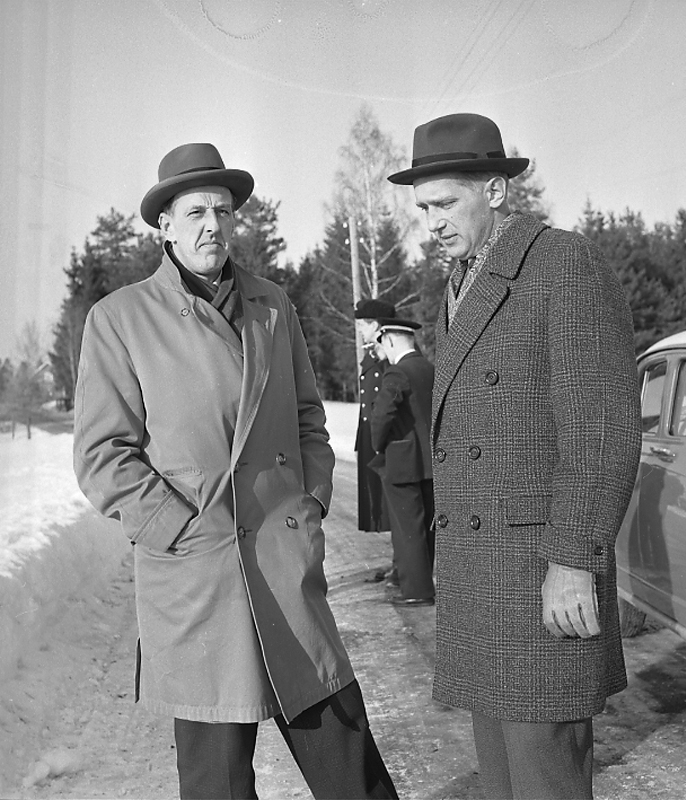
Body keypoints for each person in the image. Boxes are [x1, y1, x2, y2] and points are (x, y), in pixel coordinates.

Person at [73, 142, 398, 800]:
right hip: (198, 580)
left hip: (282, 565)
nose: (212, 226)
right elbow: (103, 453)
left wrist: (306, 504)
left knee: (348, 764)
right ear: (164, 226)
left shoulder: (272, 305)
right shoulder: (121, 319)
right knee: (216, 782)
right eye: (195, 212)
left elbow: (308, 417)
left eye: (223, 211)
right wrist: (176, 529)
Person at [388, 114, 641, 798]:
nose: (432, 223)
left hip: (538, 574)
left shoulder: (560, 262)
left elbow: (600, 427)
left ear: (496, 190)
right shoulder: (462, 280)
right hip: (483, 580)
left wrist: (573, 561)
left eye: (445, 203)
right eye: (423, 209)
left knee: (543, 776)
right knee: (500, 782)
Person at [369, 318, 436, 607]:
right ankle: (417, 581)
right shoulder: (430, 369)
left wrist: (378, 445)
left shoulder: (397, 372)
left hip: (402, 462)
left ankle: (416, 590)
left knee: (407, 528)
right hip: (432, 462)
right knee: (426, 527)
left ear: (390, 340)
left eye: (382, 343)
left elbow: (382, 416)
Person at [353, 299, 394, 537]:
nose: (359, 330)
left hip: (383, 435)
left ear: (375, 325)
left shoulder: (387, 353)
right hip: (369, 433)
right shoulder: (372, 354)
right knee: (375, 499)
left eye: (362, 325)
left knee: (388, 503)